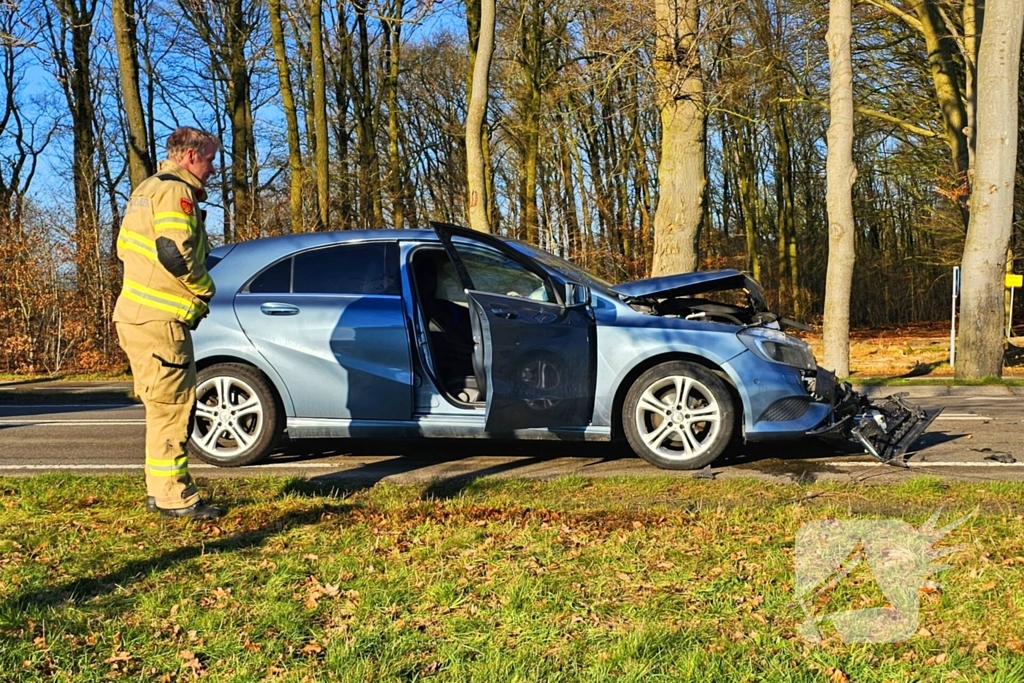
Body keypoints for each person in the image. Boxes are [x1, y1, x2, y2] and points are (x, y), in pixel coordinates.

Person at [113, 126, 224, 519]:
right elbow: (173, 250)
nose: (212, 168)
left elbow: (129, 250)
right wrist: (204, 288)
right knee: (174, 409)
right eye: (209, 158)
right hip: (160, 320)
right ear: (190, 156)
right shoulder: (175, 191)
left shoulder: (146, 189)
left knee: (160, 409)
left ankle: (159, 492)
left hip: (139, 316)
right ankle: (175, 499)